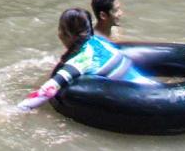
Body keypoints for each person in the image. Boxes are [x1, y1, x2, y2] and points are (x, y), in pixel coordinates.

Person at [17, 8, 155, 111]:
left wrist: (18, 109)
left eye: (60, 29)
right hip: (152, 87)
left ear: (66, 34)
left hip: (146, 101)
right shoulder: (100, 41)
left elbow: (49, 89)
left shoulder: (80, 61)